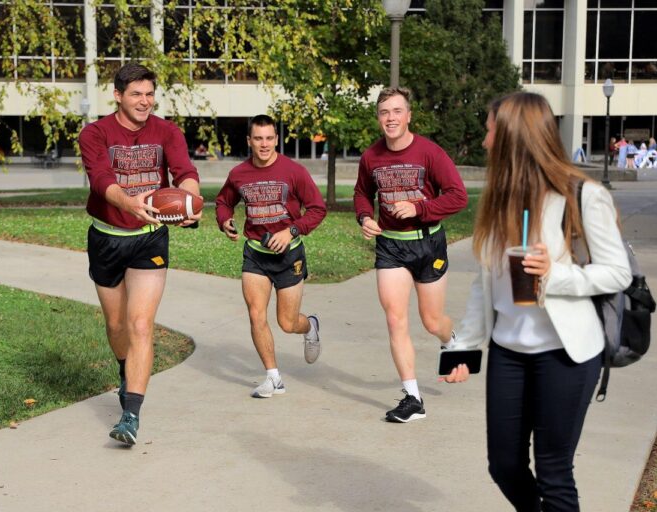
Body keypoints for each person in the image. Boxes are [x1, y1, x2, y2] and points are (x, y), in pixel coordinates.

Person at [447, 92, 631, 511]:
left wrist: (554, 275)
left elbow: (617, 273)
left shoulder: (582, 196)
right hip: (509, 352)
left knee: (554, 470)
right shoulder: (499, 200)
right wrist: (463, 348)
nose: (485, 141)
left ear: (514, 137)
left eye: (490, 131)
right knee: (504, 465)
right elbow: (483, 284)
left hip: (566, 354)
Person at [79, 63, 201, 446]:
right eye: (136, 94)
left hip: (150, 239)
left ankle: (130, 415)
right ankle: (125, 369)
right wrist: (129, 202)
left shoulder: (167, 131)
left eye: (149, 94)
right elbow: (100, 180)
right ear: (118, 95)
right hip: (107, 238)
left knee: (141, 325)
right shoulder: (95, 134)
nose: (144, 101)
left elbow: (185, 172)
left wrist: (191, 202)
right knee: (117, 326)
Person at [353, 87, 468, 423]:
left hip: (428, 244)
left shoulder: (429, 152)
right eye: (384, 112)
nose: (390, 118)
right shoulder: (371, 157)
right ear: (378, 118)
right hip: (390, 246)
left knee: (432, 321)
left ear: (408, 116)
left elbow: (458, 196)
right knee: (394, 318)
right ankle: (413, 398)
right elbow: (362, 193)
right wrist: (365, 217)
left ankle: (451, 340)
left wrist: (419, 208)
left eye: (397, 111)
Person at [215, 114, 327, 398]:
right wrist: (224, 220)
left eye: (268, 138)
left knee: (287, 323)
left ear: (276, 139)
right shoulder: (239, 174)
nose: (264, 144)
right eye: (258, 139)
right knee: (256, 314)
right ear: (249, 141)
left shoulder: (294, 171)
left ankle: (310, 326)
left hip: (289, 255)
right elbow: (224, 201)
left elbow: (317, 209)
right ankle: (273, 377)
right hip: (255, 254)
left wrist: (291, 231)